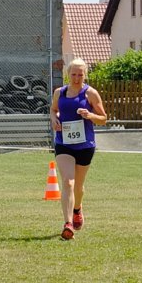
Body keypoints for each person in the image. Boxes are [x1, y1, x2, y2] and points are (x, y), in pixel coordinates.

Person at [50, 58, 107, 240]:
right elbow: (53, 110)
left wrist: (90, 115)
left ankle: (77, 209)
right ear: (68, 75)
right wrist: (54, 119)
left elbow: (103, 118)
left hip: (84, 144)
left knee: (79, 187)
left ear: (85, 75)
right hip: (64, 143)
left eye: (80, 74)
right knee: (68, 182)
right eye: (73, 74)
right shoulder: (60, 92)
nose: (76, 78)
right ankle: (67, 224)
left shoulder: (90, 94)